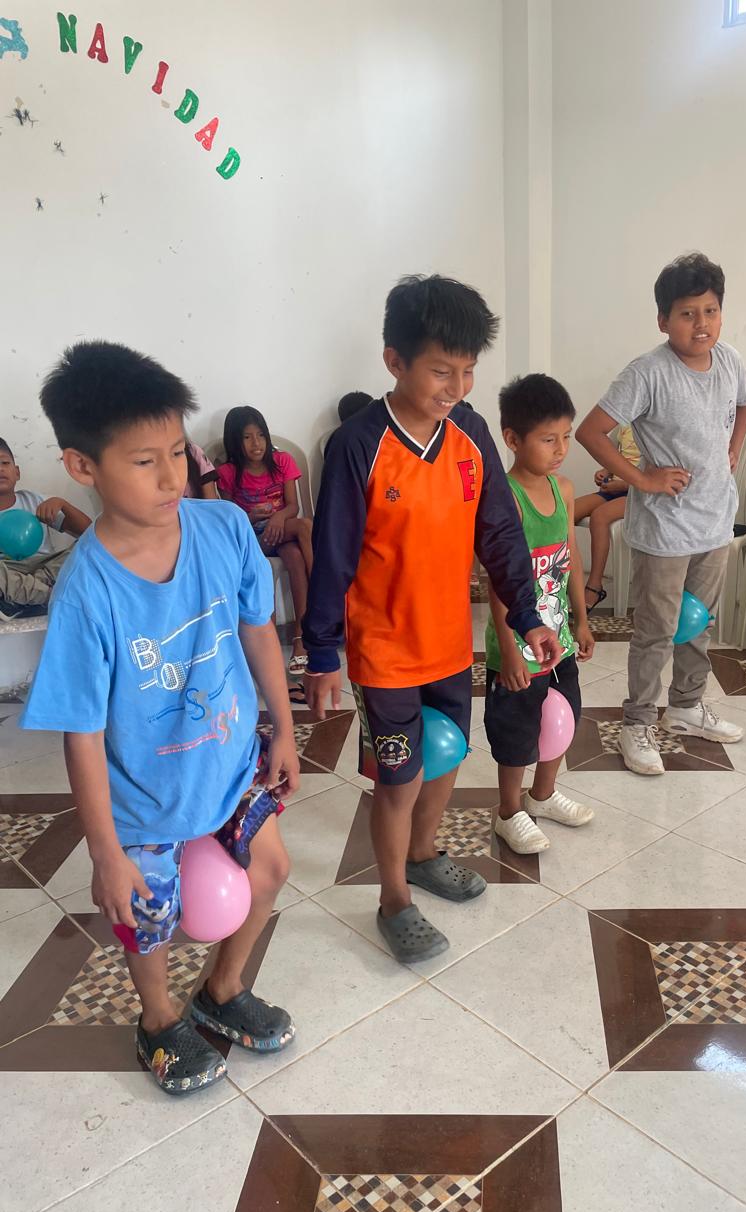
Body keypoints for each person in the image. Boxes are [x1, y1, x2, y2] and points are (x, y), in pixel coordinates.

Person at [20, 341, 299, 1095]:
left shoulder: (224, 528)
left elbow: (257, 629)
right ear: (83, 466)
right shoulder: (86, 593)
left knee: (272, 868)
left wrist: (283, 726)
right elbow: (81, 733)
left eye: (178, 451)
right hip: (142, 799)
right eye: (145, 461)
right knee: (147, 917)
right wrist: (105, 853)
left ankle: (223, 990)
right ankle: (158, 1019)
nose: (173, 476)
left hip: (230, 761)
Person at [302, 274, 563, 963]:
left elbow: (499, 530)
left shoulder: (469, 433)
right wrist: (322, 653)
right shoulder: (358, 445)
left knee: (446, 756)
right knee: (399, 778)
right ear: (395, 361)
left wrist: (528, 614)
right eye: (442, 370)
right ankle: (393, 899)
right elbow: (332, 555)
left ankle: (422, 855)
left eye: (469, 371)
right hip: (384, 649)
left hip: (449, 643)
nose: (457, 387)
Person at [576, 252, 746, 776]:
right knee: (656, 631)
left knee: (699, 626)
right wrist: (643, 479)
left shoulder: (730, 361)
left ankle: (686, 706)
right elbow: (591, 432)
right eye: (687, 314)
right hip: (665, 529)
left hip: (715, 521)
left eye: (711, 311)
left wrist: (734, 448)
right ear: (663, 320)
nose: (701, 324)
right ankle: (636, 723)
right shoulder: (648, 372)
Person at [486, 374, 595, 854]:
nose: (561, 449)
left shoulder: (564, 488)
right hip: (518, 645)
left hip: (559, 638)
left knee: (564, 714)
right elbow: (497, 581)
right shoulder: (505, 498)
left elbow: (570, 557)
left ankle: (543, 795)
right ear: (513, 439)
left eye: (566, 436)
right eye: (548, 439)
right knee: (517, 731)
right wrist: (509, 651)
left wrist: (582, 619)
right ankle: (509, 812)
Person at [216, 407, 314, 674]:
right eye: (247, 437)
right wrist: (250, 516)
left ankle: (300, 640)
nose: (256, 443)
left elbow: (293, 506)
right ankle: (321, 598)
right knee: (303, 529)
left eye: (260, 435)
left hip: (282, 531)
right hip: (254, 540)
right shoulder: (227, 472)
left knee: (297, 552)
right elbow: (229, 518)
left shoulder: (282, 461)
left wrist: (278, 518)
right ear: (234, 440)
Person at [0, 435, 91, 619]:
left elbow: (88, 532)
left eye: (5, 463)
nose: (0, 469)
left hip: (47, 570)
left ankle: (24, 599)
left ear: (17, 472)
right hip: (9, 575)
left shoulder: (34, 501)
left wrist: (63, 504)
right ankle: (49, 596)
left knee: (96, 544)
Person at [573, 422, 641, 612]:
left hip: (638, 494)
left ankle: (594, 586)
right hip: (614, 489)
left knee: (600, 516)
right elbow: (612, 457)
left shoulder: (655, 427)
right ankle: (558, 578)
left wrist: (623, 485)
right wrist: (605, 472)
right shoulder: (624, 425)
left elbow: (653, 476)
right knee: (565, 511)